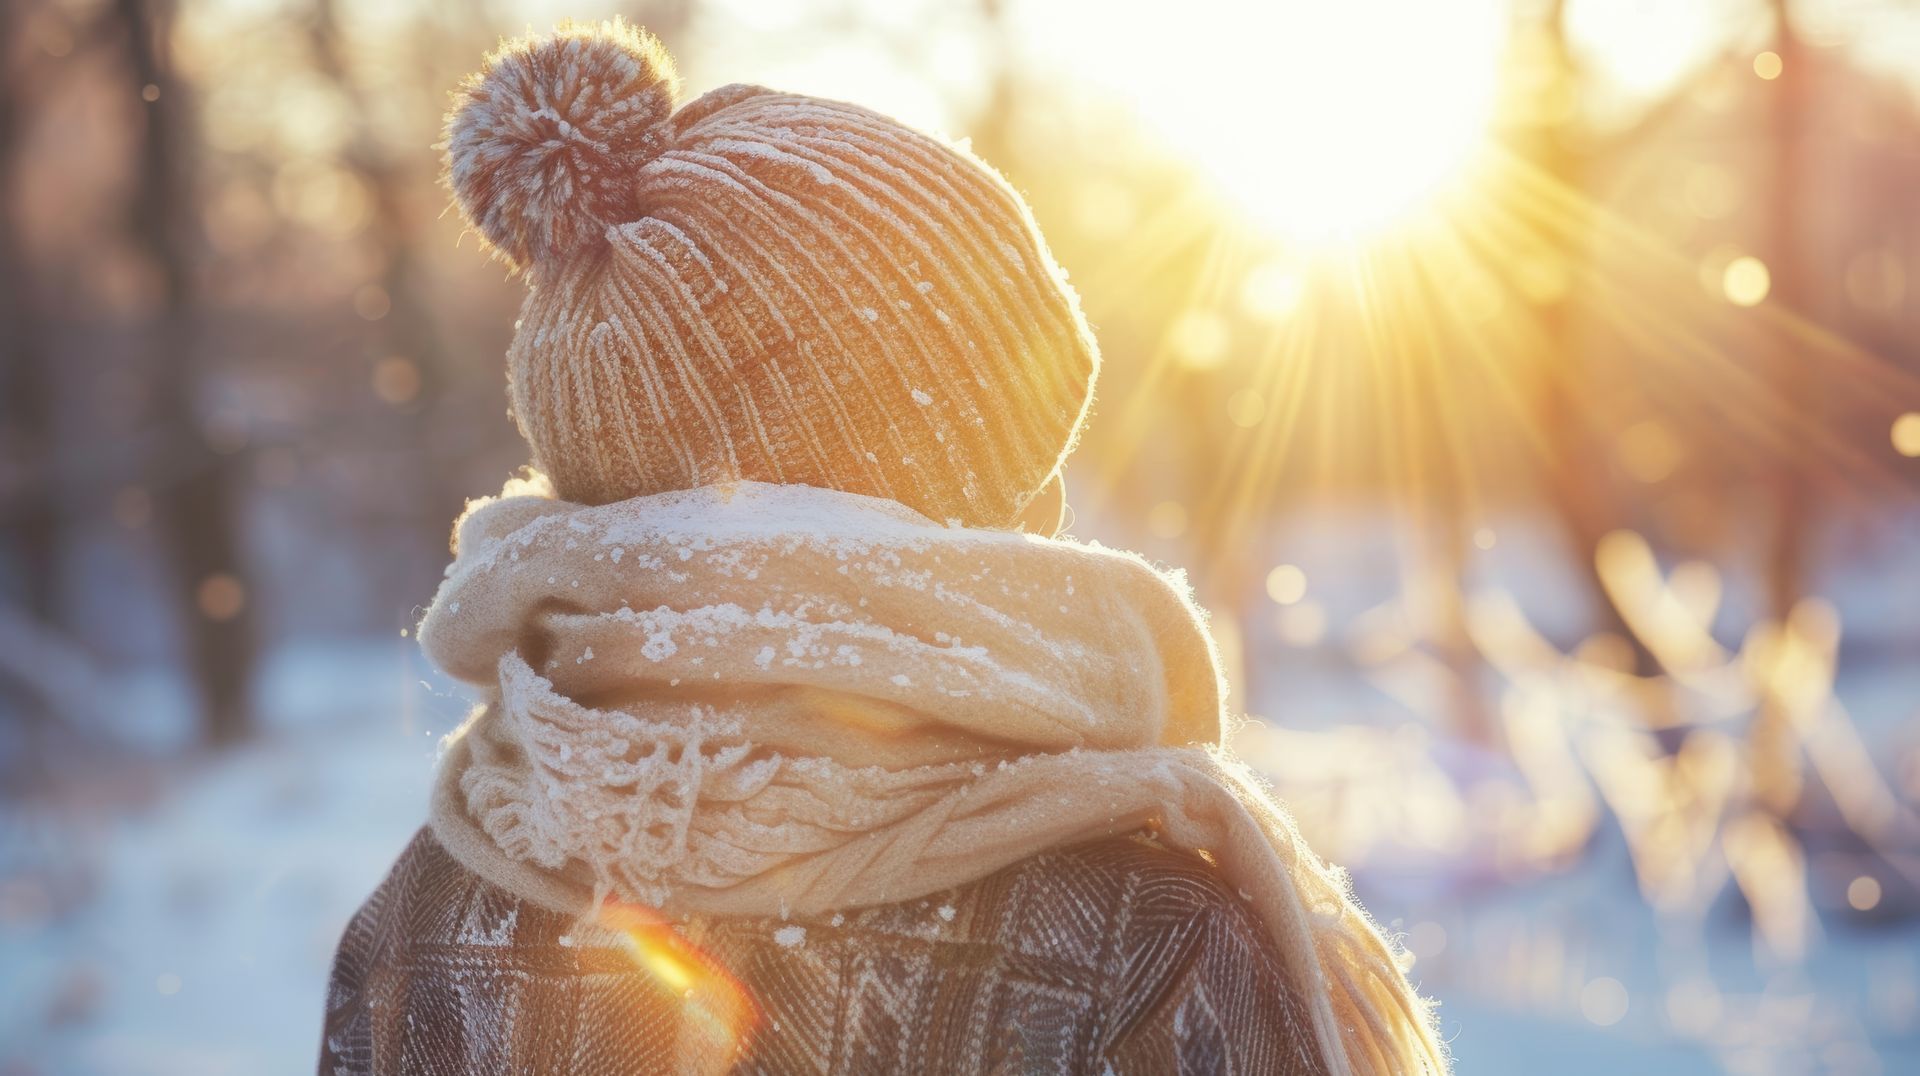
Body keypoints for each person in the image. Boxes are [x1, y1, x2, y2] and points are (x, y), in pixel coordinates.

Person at [319, 20, 1444, 1076]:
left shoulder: (423, 916)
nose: (1043, 510)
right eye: (1017, 456)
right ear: (930, 476)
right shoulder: (1146, 932)